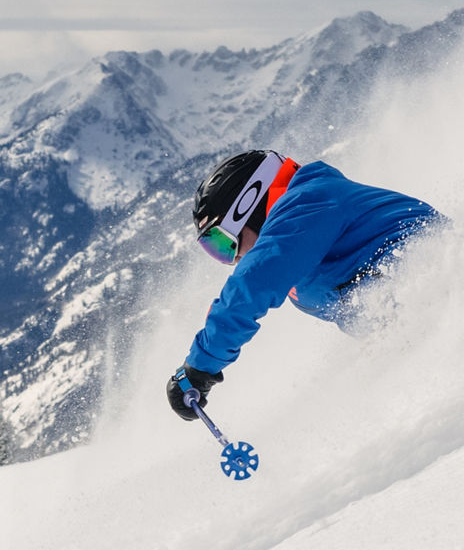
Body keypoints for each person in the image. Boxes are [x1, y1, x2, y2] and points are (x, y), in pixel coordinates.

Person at [166, 150, 441, 421]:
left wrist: (199, 367)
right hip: (420, 312)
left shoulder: (306, 204)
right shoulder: (296, 236)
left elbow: (251, 286)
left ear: (247, 207)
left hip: (431, 271)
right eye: (215, 250)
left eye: (224, 242)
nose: (233, 257)